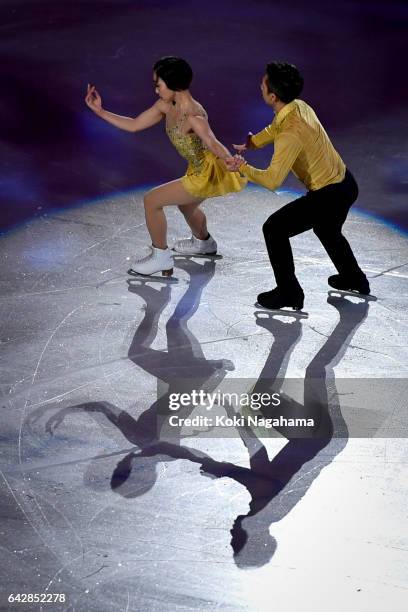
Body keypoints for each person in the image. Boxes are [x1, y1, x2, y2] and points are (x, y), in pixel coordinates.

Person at [227, 61, 370, 310]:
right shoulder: (299, 106)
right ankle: (354, 278)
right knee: (327, 230)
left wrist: (242, 168)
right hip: (346, 183)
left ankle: (288, 292)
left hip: (330, 193)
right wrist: (254, 143)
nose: (259, 86)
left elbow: (273, 180)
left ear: (273, 96)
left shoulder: (290, 132)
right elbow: (276, 126)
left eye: (263, 84)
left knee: (274, 229)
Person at [85, 56, 246, 276]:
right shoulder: (166, 106)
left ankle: (161, 257)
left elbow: (212, 141)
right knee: (187, 206)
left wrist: (229, 159)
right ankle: (204, 243)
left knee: (152, 200)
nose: (156, 90)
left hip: (205, 173)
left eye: (158, 84)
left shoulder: (193, 115)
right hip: (197, 168)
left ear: (173, 85)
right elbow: (134, 125)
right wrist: (100, 111)